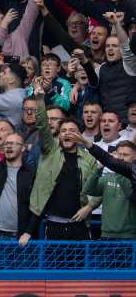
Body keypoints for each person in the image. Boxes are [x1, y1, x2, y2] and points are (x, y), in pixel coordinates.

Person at [19, 77, 100, 244]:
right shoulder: (50, 150)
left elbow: (101, 187)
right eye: (63, 130)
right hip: (53, 226)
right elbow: (42, 125)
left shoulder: (88, 159)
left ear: (79, 135)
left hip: (79, 227)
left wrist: (90, 206)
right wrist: (40, 99)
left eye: (72, 130)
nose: (67, 133)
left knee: (78, 269)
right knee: (53, 269)